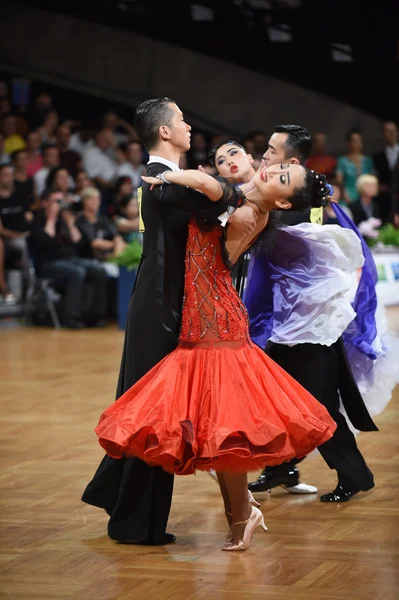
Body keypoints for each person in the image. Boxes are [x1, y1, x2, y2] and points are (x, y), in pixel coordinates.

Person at [94, 162, 338, 552]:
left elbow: (207, 184)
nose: (271, 171)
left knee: (225, 430)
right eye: (278, 169)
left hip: (215, 323)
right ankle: (242, 515)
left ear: (282, 200)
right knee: (219, 430)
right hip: (203, 316)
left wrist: (167, 175)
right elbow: (215, 186)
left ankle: (242, 515)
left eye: (282, 179)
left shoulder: (245, 211)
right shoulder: (245, 203)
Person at [81, 97, 257, 546]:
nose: (189, 126)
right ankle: (133, 522)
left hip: (162, 304)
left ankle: (125, 509)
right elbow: (227, 197)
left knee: (154, 413)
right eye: (181, 120)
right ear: (164, 132)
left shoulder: (164, 178)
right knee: (150, 414)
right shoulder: (164, 180)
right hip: (161, 308)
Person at [243, 125, 377, 502]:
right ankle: (280, 468)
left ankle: (355, 475)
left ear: (294, 164)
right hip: (286, 323)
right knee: (281, 401)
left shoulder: (296, 211)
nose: (264, 157)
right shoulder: (285, 200)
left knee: (318, 406)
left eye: (272, 152)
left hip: (311, 326)